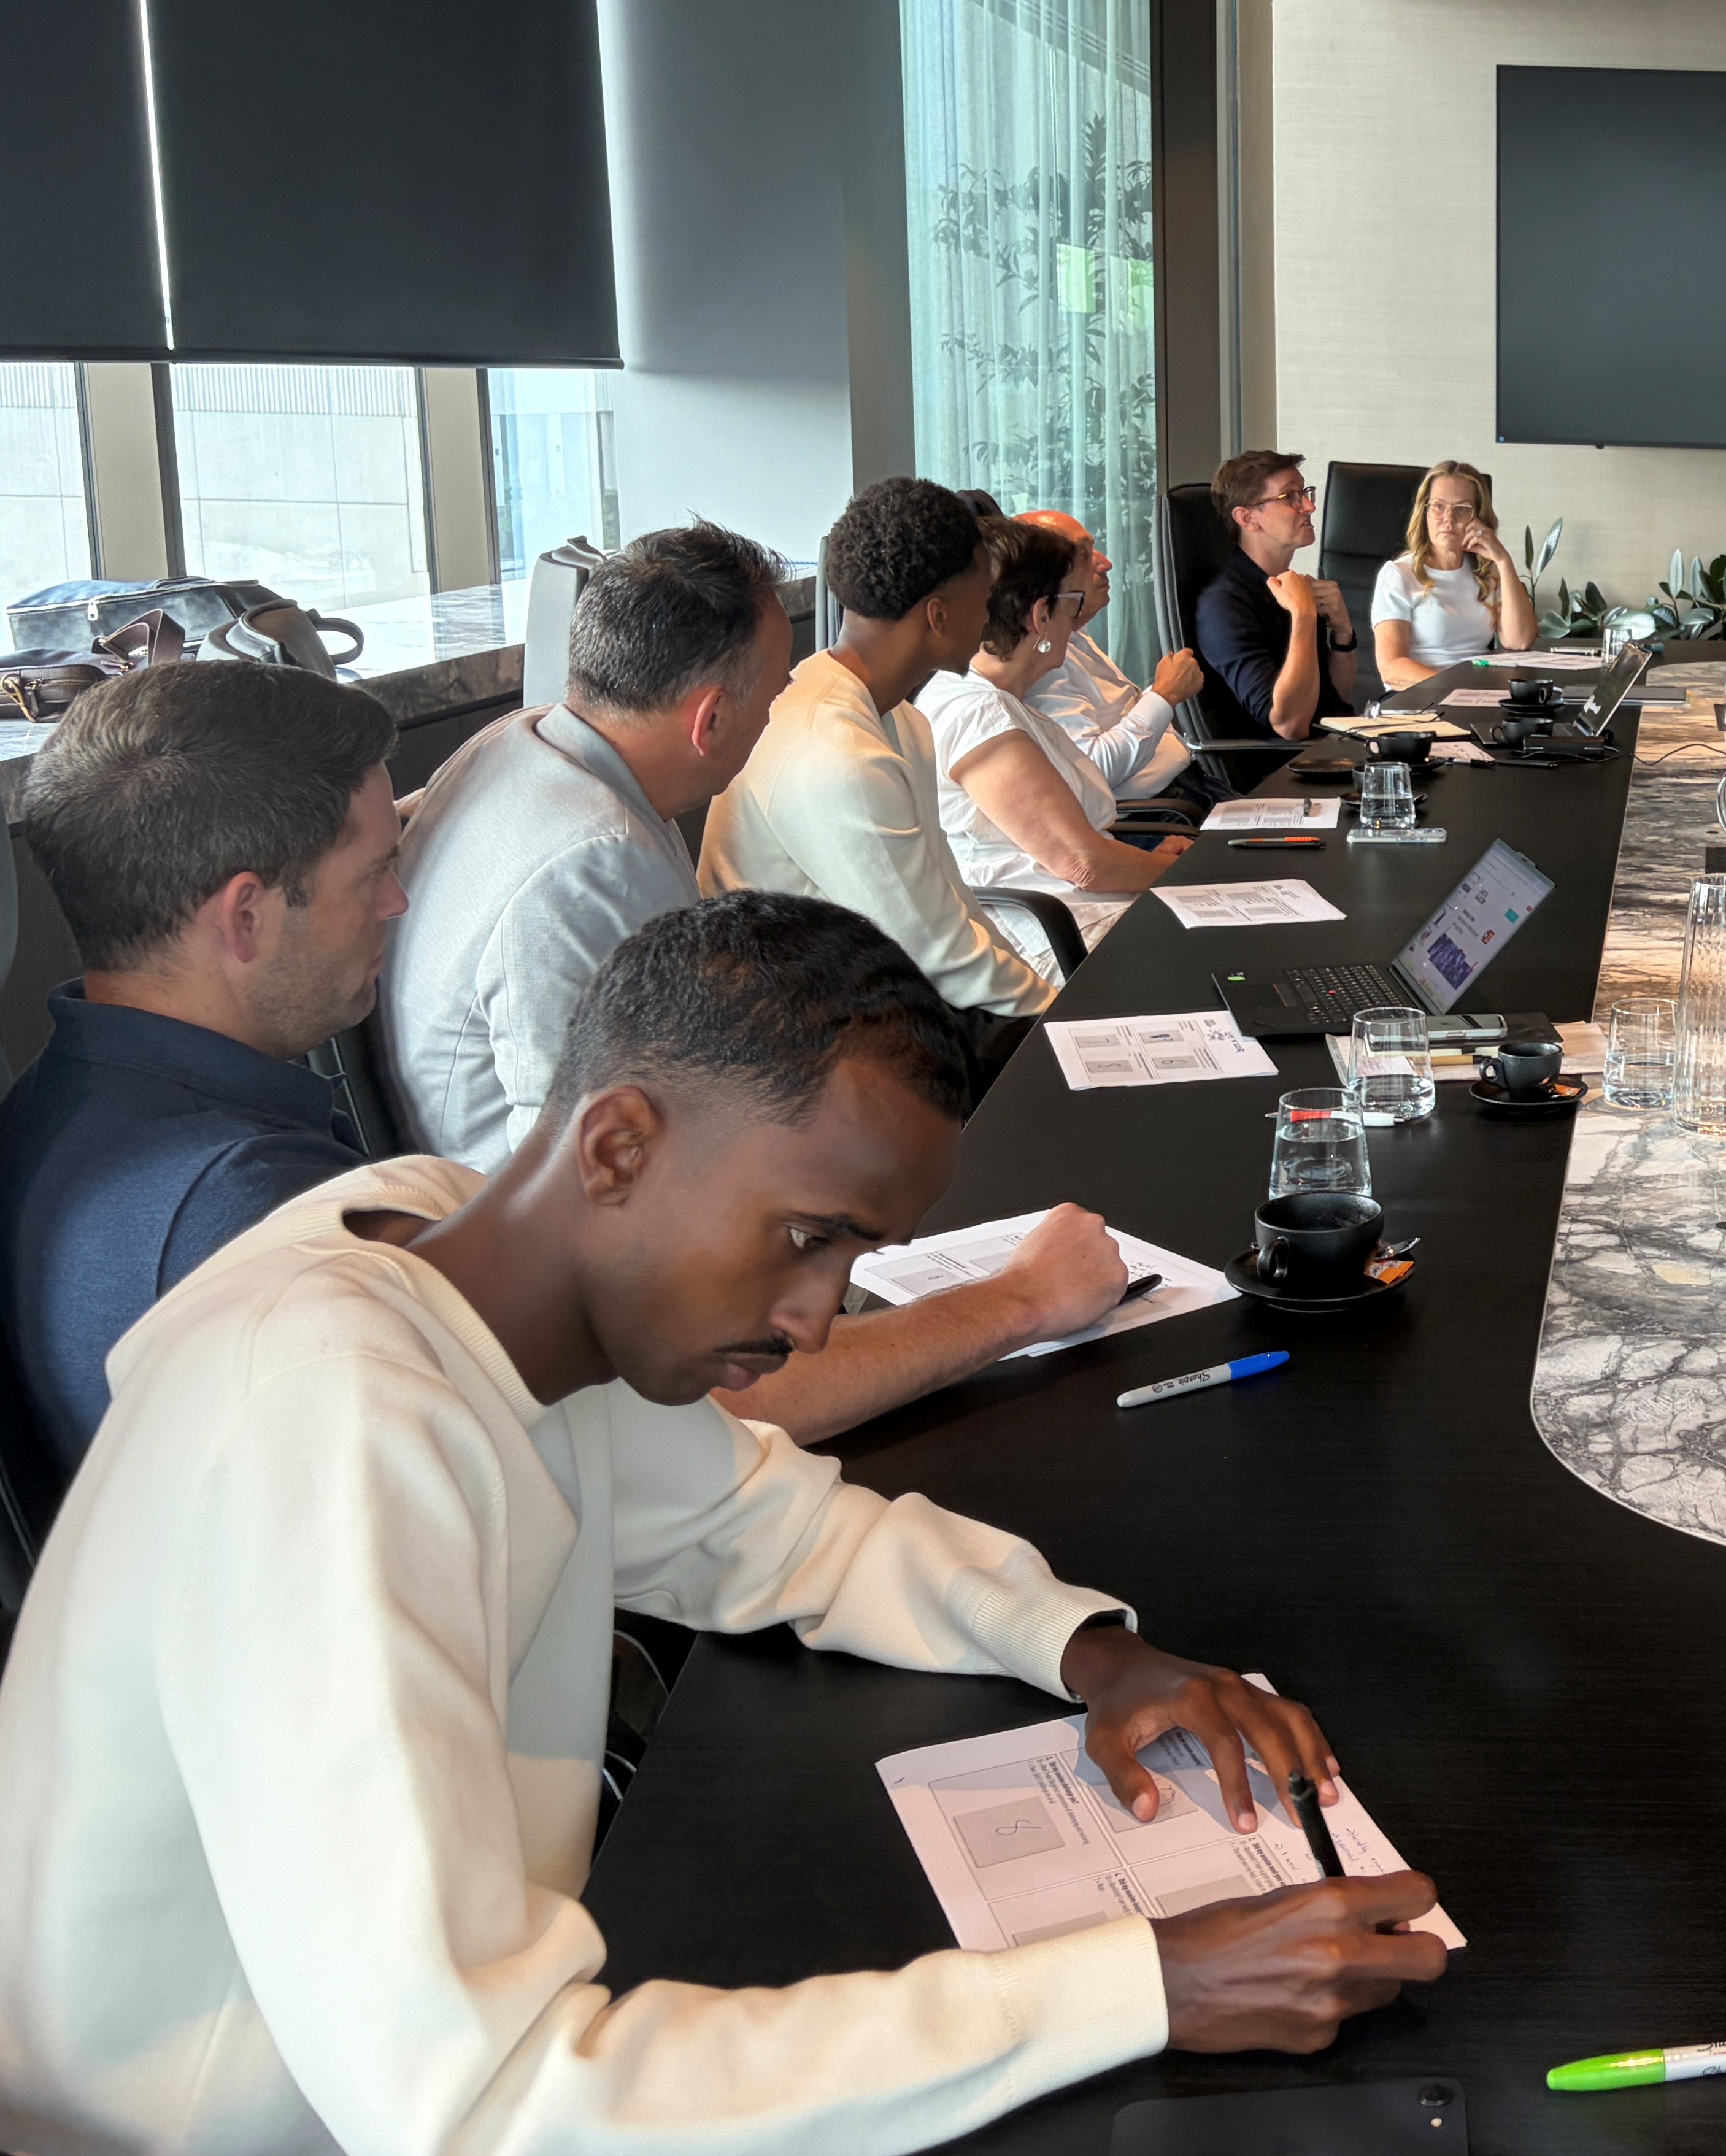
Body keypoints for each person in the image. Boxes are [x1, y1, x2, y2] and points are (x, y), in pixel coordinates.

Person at [0, 891, 1449, 2155]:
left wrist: (1083, 1648)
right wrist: (1141, 1987)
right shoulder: (326, 1428)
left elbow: (772, 1529)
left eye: (855, 1253)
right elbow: (482, 2106)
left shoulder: (460, 1245)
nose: (817, 1315)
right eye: (806, 1237)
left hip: (425, 2042)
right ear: (617, 1147)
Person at [382, 520, 1127, 1444]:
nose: (778, 713)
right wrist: (1019, 1299)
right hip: (576, 1357)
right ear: (709, 719)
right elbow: (635, 1261)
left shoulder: (519, 745)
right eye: (771, 696)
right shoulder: (590, 862)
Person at [0, 664, 403, 1478]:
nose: (395, 900)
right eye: (372, 872)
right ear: (246, 916)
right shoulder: (259, 1213)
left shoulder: (42, 1111)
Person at [700, 475, 1054, 1027]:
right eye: (983, 600)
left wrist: (1051, 997)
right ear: (938, 616)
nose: (989, 619)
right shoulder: (835, 752)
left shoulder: (899, 719)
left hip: (867, 1002)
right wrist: (1068, 1016)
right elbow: (940, 958)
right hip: (798, 1035)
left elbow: (951, 908)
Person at [920, 518, 1192, 959]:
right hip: (1062, 939)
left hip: (1086, 913)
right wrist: (1188, 872)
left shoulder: (998, 701)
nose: (1075, 621)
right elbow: (1083, 865)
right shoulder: (979, 714)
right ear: (1041, 617)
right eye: (1072, 603)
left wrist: (1154, 862)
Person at [1012, 506, 1207, 803]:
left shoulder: (1075, 636)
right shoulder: (1045, 661)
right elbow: (1093, 770)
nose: (1106, 563)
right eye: (1083, 555)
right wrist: (1164, 695)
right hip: (1156, 812)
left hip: (1188, 787)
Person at [1193, 450, 1357, 741]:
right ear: (1247, 518)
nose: (1309, 506)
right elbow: (1290, 726)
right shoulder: (1224, 605)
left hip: (1331, 745)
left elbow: (1333, 703)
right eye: (1290, 497)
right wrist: (1304, 617)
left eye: (1305, 493)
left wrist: (1343, 636)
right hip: (1284, 764)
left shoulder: (1290, 588)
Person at [1370, 460, 1535, 687]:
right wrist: (1454, 686)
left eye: (1462, 509)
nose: (1448, 518)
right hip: (1419, 696)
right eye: (1438, 507)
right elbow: (1392, 668)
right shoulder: (1399, 575)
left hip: (1475, 695)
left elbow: (1519, 641)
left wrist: (1503, 561)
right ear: (1425, 513)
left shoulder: (1487, 574)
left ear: (1479, 518)